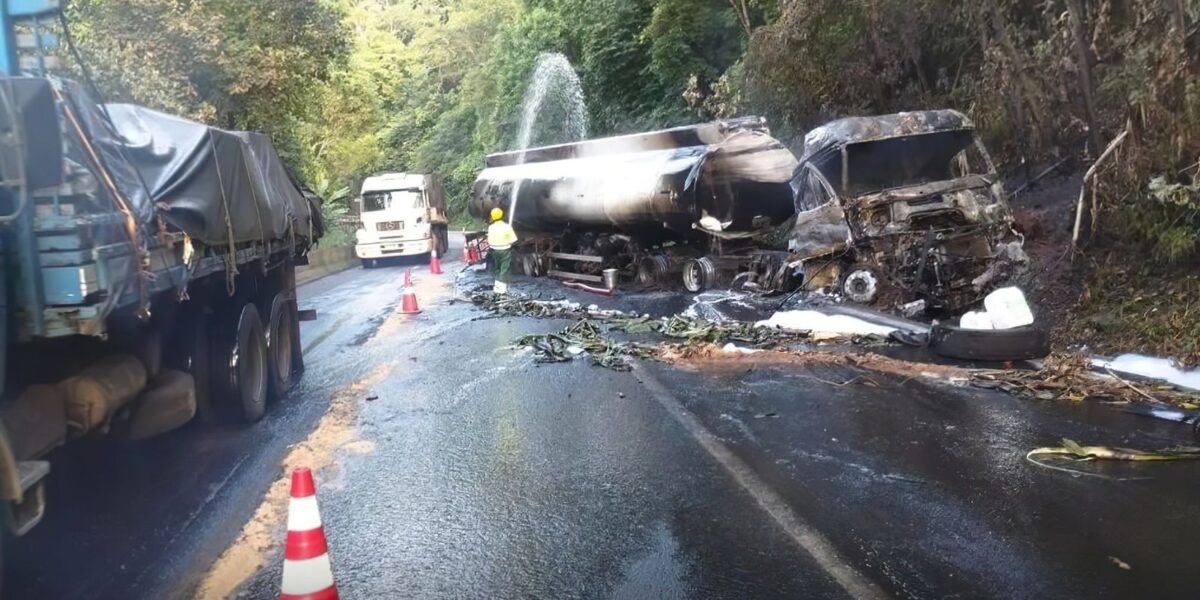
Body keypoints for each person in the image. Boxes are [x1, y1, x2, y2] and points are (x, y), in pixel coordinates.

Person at [487, 207, 518, 294]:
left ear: (492, 217)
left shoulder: (491, 227)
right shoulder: (507, 227)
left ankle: (496, 286)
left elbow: (489, 240)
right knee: (504, 268)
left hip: (494, 250)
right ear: (502, 215)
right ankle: (502, 289)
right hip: (505, 250)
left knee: (497, 268)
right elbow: (513, 240)